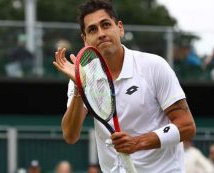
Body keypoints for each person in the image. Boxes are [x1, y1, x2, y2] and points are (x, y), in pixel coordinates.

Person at [53, 0, 196, 172]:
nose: (101, 34)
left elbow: (187, 126)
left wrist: (138, 142)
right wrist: (78, 86)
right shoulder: (84, 76)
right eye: (92, 29)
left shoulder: (154, 66)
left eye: (105, 25)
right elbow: (70, 135)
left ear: (119, 28)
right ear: (85, 40)